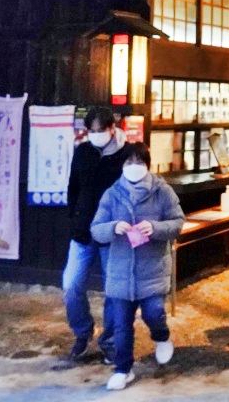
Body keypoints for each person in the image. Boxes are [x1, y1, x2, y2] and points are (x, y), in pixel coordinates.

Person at [90, 143, 186, 391]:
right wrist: (113, 228)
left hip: (152, 269)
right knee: (121, 325)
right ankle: (123, 369)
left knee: (154, 312)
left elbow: (177, 223)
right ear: (122, 166)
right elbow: (96, 229)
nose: (134, 167)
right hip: (120, 273)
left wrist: (155, 228)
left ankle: (161, 336)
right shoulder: (112, 194)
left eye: (139, 162)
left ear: (148, 165)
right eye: (129, 163)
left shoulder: (162, 191)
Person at [63, 106, 125, 362]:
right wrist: (75, 217)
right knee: (71, 284)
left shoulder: (127, 154)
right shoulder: (83, 151)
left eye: (101, 130)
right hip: (83, 229)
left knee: (114, 288)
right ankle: (82, 331)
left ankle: (109, 341)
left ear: (113, 128)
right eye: (92, 131)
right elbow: (73, 187)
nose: (96, 135)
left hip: (113, 231)